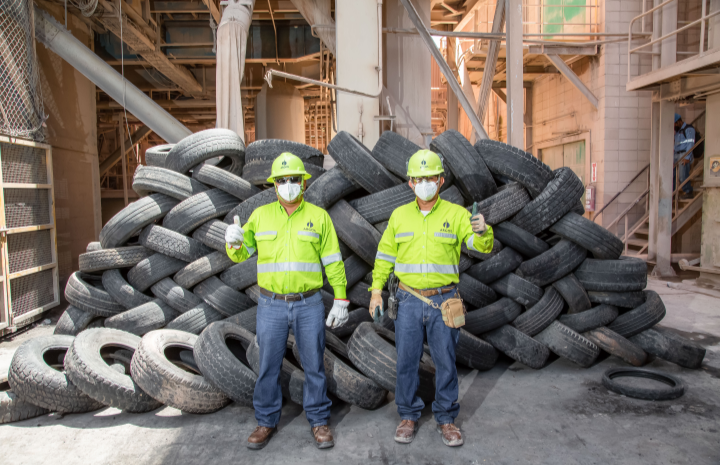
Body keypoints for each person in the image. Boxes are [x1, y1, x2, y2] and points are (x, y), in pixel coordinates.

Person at [368, 149, 494, 447]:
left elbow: (480, 246)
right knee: (406, 361)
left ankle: (446, 418)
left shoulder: (457, 214)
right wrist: (375, 292)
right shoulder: (399, 216)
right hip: (408, 300)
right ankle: (408, 415)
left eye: (430, 178)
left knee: (446, 361)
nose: (425, 183)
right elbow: (384, 257)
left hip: (444, 301)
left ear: (441, 180)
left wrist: (483, 231)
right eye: (419, 179)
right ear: (410, 183)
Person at [224, 152, 349, 450]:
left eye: (294, 179)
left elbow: (333, 262)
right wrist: (232, 242)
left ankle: (319, 421)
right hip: (271, 305)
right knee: (268, 365)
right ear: (274, 185)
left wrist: (341, 298)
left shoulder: (319, 218)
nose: (288, 185)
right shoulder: (260, 217)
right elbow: (241, 254)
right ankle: (265, 421)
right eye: (282, 180)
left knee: (314, 364)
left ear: (304, 183)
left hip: (309, 304)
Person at [674, 113, 695, 198]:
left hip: (684, 155)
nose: (674, 126)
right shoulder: (677, 132)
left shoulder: (688, 129)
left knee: (683, 176)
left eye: (675, 124)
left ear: (679, 121)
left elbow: (690, 144)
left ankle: (688, 191)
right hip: (677, 155)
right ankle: (673, 193)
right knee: (673, 175)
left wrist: (687, 157)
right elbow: (676, 145)